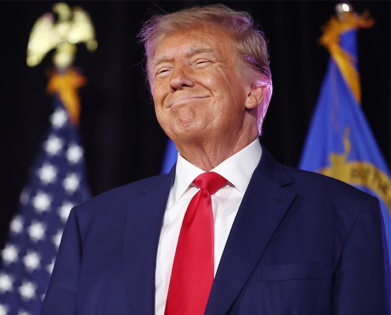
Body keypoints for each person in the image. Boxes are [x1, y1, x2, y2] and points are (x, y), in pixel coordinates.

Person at [40, 4, 389, 315]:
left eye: (201, 61)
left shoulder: (344, 213)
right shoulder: (93, 224)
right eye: (161, 71)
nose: (176, 80)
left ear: (255, 89)